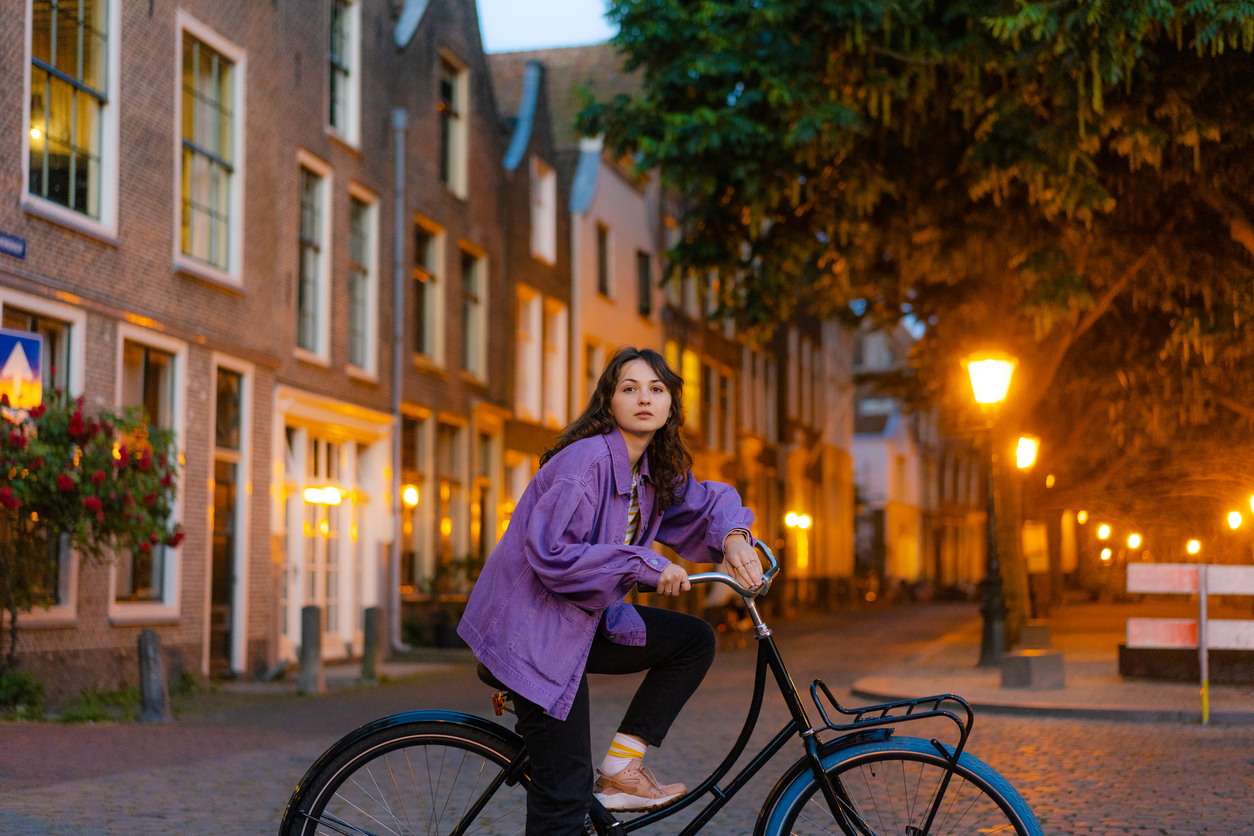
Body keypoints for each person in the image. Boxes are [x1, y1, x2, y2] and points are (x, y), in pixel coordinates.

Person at [458, 347, 763, 835]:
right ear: (609, 402)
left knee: (693, 640)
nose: (644, 398)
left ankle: (622, 766)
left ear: (670, 408)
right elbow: (553, 553)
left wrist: (733, 537)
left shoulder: (651, 471)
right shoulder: (586, 463)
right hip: (532, 634)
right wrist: (645, 562)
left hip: (579, 624)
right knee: (565, 795)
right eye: (629, 388)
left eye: (656, 389)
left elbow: (708, 505)